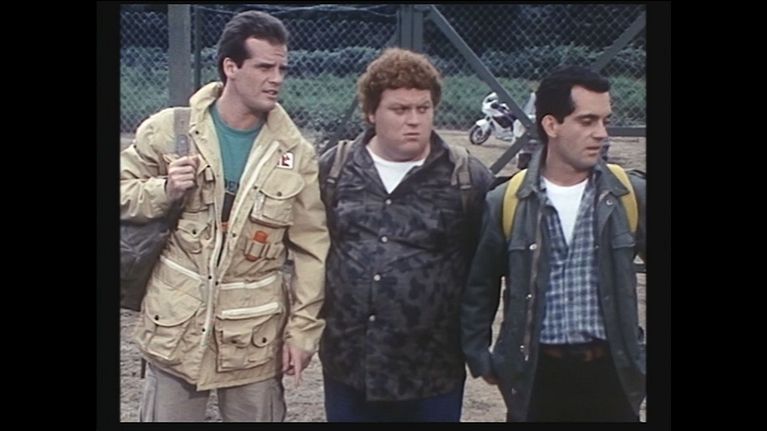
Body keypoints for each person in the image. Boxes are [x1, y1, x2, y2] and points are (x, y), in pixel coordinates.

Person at [120, 10, 329, 422]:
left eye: (282, 69)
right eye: (264, 67)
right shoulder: (171, 130)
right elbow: (121, 192)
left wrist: (304, 330)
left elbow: (312, 250)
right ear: (230, 67)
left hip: (253, 341)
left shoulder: (295, 153)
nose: (276, 79)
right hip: (175, 331)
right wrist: (165, 190)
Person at [317, 48, 494, 422]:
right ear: (371, 112)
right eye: (399, 109)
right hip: (349, 369)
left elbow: (488, 272)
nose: (414, 120)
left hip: (432, 376)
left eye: (423, 108)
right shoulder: (335, 169)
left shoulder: (466, 179)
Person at [461, 65, 646, 422]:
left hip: (614, 376)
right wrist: (480, 356)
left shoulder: (629, 193)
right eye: (587, 121)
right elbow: (479, 285)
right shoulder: (507, 200)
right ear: (551, 125)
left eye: (605, 121)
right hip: (536, 379)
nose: (602, 133)